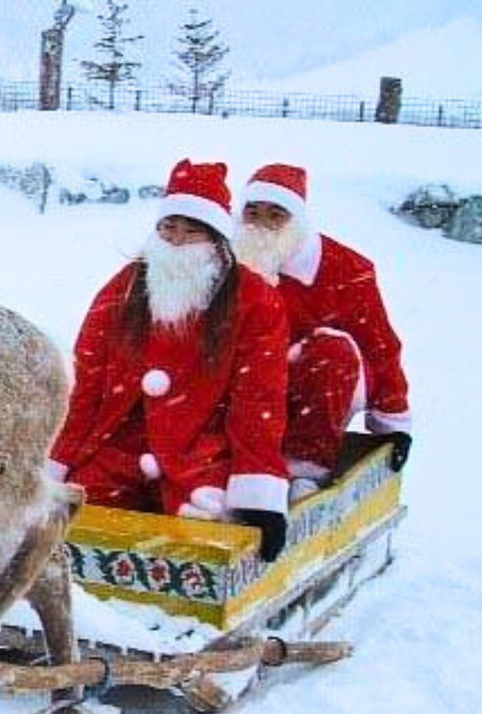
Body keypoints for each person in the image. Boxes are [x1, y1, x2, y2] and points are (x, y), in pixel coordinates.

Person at [47, 159, 291, 561]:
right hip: (117, 443)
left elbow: (258, 401)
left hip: (203, 451)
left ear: (216, 239)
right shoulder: (125, 288)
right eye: (168, 228)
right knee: (77, 518)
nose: (176, 241)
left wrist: (259, 496)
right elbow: (86, 382)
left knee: (200, 538)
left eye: (191, 232)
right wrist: (56, 465)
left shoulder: (255, 301)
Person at [235, 163, 412, 492]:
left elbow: (380, 344)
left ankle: (304, 470)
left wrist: (393, 421)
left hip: (309, 384)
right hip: (246, 384)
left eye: (276, 214)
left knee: (332, 352)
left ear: (297, 220)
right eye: (253, 212)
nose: (261, 224)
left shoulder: (344, 268)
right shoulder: (224, 260)